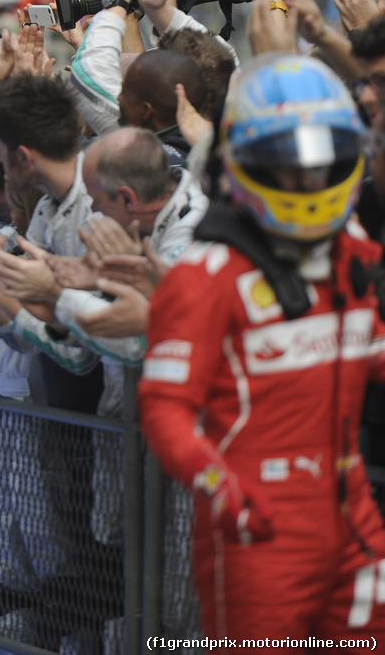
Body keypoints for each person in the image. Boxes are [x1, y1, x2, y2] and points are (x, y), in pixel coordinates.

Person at [141, 54, 385, 643]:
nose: (309, 181)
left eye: (324, 164)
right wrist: (220, 487)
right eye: (289, 165)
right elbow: (165, 409)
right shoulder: (205, 274)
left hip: (356, 516)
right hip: (259, 526)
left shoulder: (353, 253)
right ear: (245, 164)